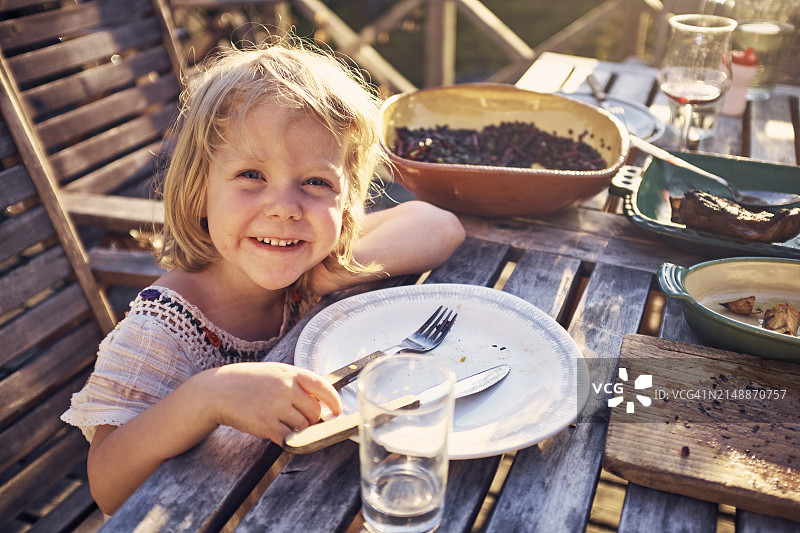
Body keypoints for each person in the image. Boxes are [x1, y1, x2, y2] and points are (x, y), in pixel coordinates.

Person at [61, 40, 465, 515]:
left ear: (347, 202)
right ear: (199, 190)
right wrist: (208, 397)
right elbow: (106, 485)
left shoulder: (307, 265)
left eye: (316, 182)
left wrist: (329, 273)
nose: (285, 208)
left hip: (305, 498)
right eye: (252, 175)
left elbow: (441, 226)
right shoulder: (162, 330)